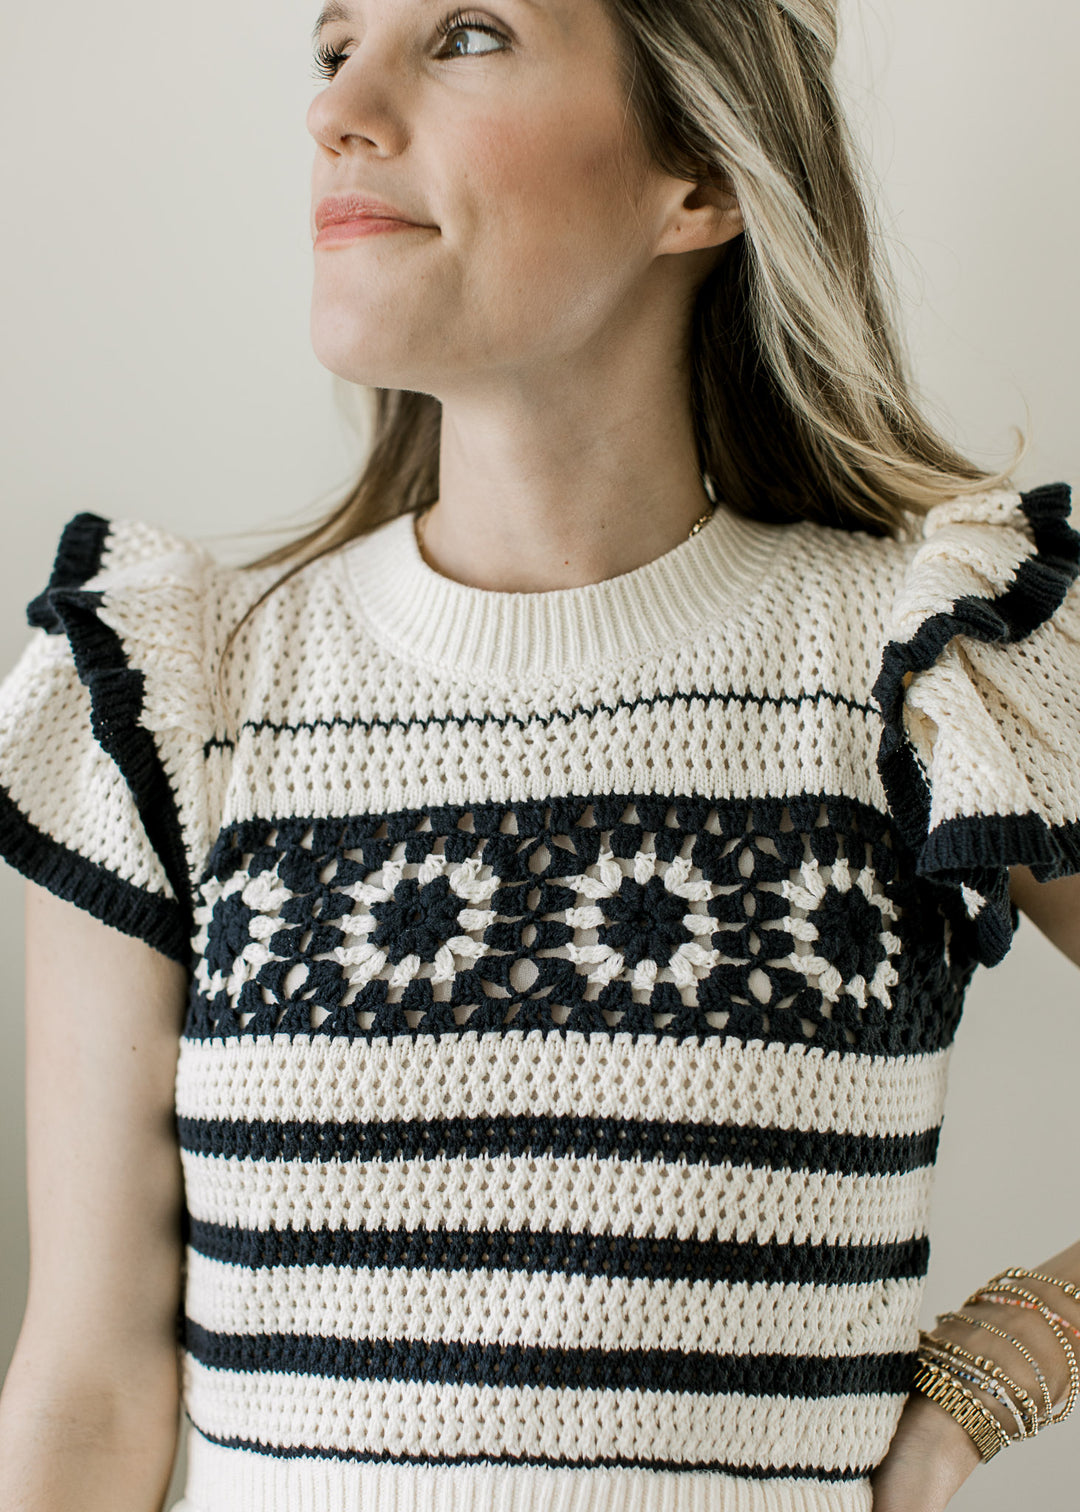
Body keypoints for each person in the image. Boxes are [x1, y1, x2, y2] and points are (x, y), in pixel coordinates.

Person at [0, 1, 1077, 1510]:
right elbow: (91, 1383)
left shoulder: (924, 665)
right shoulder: (174, 692)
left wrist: (996, 1375)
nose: (338, 112)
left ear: (697, 177)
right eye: (331, 49)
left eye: (467, 35)